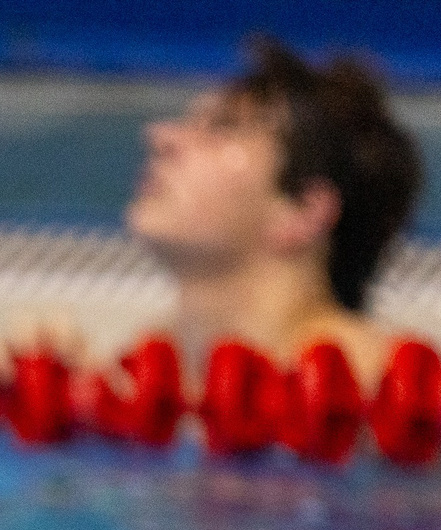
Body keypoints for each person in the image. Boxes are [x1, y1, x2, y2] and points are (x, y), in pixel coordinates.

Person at [124, 36, 423, 374]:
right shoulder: (137, 371)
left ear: (304, 212)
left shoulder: (372, 388)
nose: (161, 136)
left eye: (223, 127)